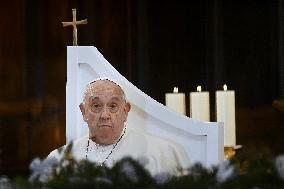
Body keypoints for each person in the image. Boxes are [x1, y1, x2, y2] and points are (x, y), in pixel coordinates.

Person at [48, 77, 189, 177]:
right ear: (84, 111)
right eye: (96, 106)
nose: (105, 115)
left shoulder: (160, 153)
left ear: (125, 111)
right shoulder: (60, 160)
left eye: (113, 106)